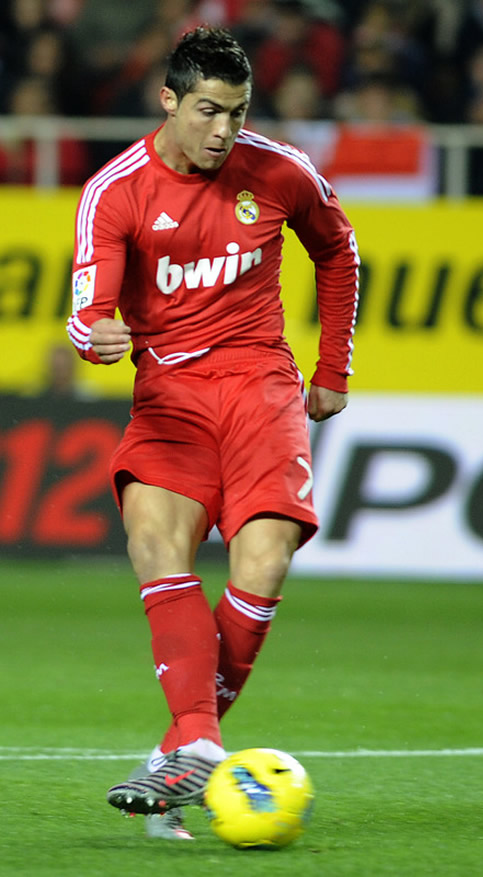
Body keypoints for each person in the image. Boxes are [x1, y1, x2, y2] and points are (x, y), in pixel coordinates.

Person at [66, 25, 359, 840]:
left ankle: (181, 744)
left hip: (261, 385)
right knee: (154, 542)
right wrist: (97, 336)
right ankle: (195, 738)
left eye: (236, 111)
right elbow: (87, 315)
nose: (223, 131)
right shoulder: (116, 190)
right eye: (207, 111)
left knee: (263, 564)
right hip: (170, 398)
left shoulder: (277, 170)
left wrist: (332, 366)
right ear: (169, 100)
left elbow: (339, 251)